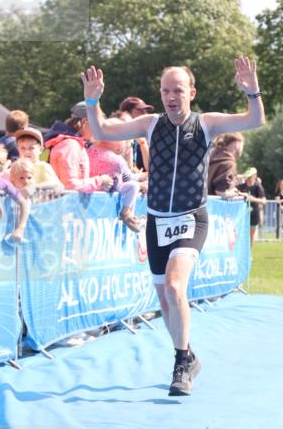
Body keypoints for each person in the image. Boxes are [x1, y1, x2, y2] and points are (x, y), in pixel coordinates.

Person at [80, 56, 265, 397]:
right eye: (165, 90)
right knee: (164, 300)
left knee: (177, 287)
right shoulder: (150, 124)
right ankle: (189, 354)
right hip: (157, 221)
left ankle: (181, 362)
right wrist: (93, 101)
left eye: (177, 89)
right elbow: (103, 130)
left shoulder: (206, 123)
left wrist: (252, 92)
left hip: (191, 218)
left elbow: (255, 120)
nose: (171, 96)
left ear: (191, 92)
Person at [45, 104, 114, 193]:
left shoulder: (73, 143)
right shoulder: (70, 145)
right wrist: (100, 181)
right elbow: (70, 185)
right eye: (97, 125)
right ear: (85, 122)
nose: (99, 131)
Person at [87, 128, 144, 232]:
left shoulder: (88, 150)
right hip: (108, 191)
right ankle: (126, 213)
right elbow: (126, 180)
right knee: (134, 185)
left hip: (90, 190)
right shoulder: (117, 160)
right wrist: (142, 180)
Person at [13, 126, 64, 193]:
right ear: (18, 149)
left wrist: (34, 187)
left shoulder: (43, 166)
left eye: (31, 148)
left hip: (39, 202)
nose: (26, 152)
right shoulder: (15, 167)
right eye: (22, 148)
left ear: (40, 150)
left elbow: (55, 184)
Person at [119, 95, 154, 171]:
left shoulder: (143, 135)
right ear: (127, 112)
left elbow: (149, 168)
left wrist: (143, 142)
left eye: (145, 111)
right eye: (140, 110)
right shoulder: (121, 132)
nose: (145, 114)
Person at [207, 132, 245, 197]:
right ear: (237, 145)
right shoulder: (228, 162)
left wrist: (234, 181)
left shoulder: (213, 155)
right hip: (215, 205)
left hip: (203, 202)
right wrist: (234, 194)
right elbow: (220, 191)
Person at [237, 167, 266, 248]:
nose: (249, 178)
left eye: (251, 176)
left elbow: (264, 201)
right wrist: (239, 194)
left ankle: (249, 252)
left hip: (254, 213)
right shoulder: (240, 187)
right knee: (241, 232)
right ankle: (240, 250)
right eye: (248, 176)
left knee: (252, 233)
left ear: (255, 176)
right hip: (242, 213)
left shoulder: (258, 187)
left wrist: (251, 198)